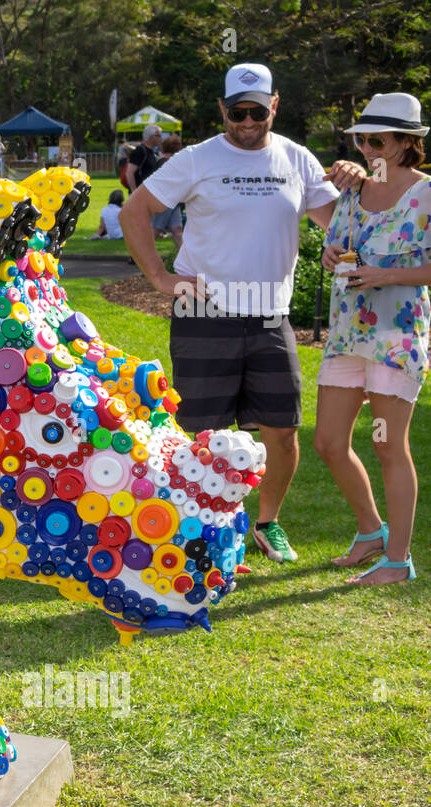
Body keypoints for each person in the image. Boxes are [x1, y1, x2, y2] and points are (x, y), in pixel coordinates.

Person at [119, 62, 365, 565]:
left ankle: (267, 523)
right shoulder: (196, 158)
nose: (248, 122)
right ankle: (201, 531)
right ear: (223, 110)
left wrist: (356, 183)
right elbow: (134, 210)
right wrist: (162, 280)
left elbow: (339, 226)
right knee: (204, 434)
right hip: (203, 312)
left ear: (275, 105)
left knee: (282, 430)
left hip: (271, 316)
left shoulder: (296, 158)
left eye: (257, 111)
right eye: (237, 112)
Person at [315, 92, 429, 585]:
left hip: (395, 336)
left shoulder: (426, 194)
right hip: (347, 334)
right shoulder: (352, 193)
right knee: (329, 442)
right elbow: (334, 248)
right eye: (362, 139)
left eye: (377, 140)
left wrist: (387, 276)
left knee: (388, 446)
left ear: (407, 143)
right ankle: (370, 532)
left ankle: (398, 561)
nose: (367, 148)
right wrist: (331, 257)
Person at [150, 134, 185, 251]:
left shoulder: (165, 161)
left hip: (173, 202)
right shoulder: (167, 162)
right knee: (156, 230)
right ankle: (137, 257)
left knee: (177, 230)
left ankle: (185, 259)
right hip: (165, 201)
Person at [125, 124, 162, 193]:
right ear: (151, 137)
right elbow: (129, 173)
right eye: (158, 136)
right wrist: (134, 191)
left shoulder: (152, 152)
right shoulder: (140, 151)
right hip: (139, 194)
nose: (161, 138)